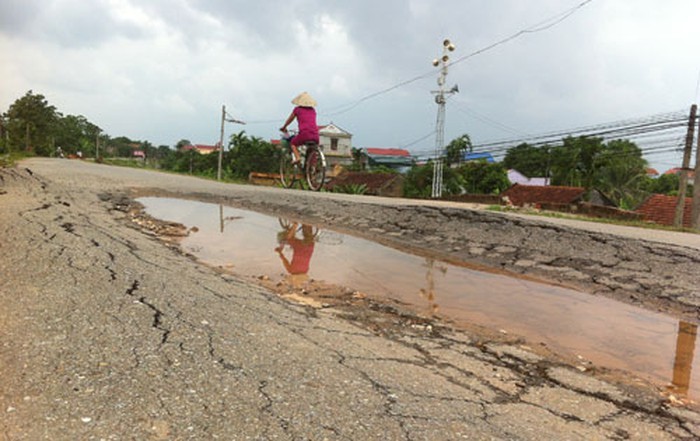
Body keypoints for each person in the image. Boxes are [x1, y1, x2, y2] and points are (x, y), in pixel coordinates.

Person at [280, 91, 319, 164]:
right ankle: (313, 166)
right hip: (315, 135)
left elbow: (290, 119)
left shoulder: (297, 109)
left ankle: (297, 157)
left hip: (304, 134)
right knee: (312, 150)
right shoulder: (313, 110)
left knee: (293, 143)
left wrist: (284, 127)